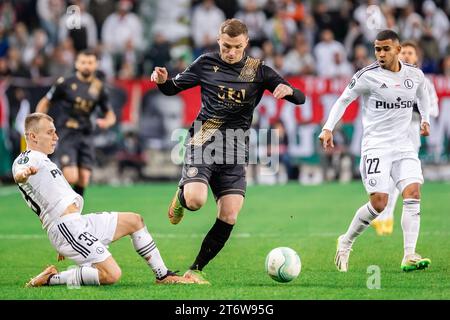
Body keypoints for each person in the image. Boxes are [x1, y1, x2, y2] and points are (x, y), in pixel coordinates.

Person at [151, 18, 305, 284]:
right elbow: (172, 89)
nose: (230, 52)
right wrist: (162, 81)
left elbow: (300, 98)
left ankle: (196, 268)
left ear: (245, 43)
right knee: (196, 201)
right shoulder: (205, 64)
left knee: (230, 214)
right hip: (203, 140)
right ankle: (182, 195)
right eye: (225, 46)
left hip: (235, 148)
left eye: (235, 46)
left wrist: (288, 90)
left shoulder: (258, 70)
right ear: (218, 42)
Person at [13, 113, 195, 287]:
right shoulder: (27, 159)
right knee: (112, 274)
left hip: (75, 224)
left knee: (134, 220)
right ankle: (52, 279)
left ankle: (163, 275)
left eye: (55, 131)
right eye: (50, 132)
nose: (56, 137)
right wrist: (24, 174)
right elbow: (20, 173)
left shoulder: (43, 160)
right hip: (66, 227)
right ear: (33, 136)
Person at [319, 30, 431, 273]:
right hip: (376, 147)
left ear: (398, 50)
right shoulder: (367, 76)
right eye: (377, 49)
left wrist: (425, 119)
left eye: (386, 49)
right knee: (379, 203)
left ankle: (409, 254)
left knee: (413, 193)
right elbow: (343, 100)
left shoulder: (415, 75)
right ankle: (346, 241)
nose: (380, 53)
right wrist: (328, 128)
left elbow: (422, 95)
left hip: (404, 146)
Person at [371, 40, 439, 236]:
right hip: (390, 130)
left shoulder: (423, 81)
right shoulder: (389, 78)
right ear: (398, 55)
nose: (407, 56)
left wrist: (419, 109)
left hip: (410, 130)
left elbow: (433, 108)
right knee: (387, 174)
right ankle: (385, 216)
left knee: (400, 176)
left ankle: (386, 216)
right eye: (405, 53)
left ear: (417, 57)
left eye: (411, 53)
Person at [36, 49, 116, 198]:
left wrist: (107, 122)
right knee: (71, 176)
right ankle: (58, 202)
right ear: (77, 64)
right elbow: (46, 102)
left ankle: (74, 211)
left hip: (86, 134)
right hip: (68, 132)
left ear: (96, 65)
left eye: (90, 62)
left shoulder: (99, 87)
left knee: (84, 178)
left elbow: (110, 114)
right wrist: (39, 120)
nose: (87, 66)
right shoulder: (65, 83)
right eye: (83, 62)